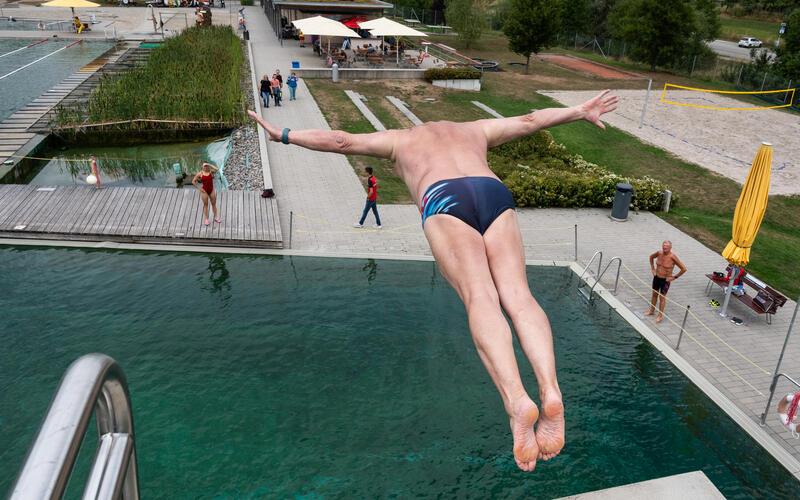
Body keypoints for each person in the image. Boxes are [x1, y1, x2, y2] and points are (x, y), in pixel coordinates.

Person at [247, 89, 619, 472]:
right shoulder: (476, 129)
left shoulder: (401, 140)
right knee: (519, 296)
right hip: (492, 192)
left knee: (481, 298)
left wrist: (285, 134)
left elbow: (342, 140)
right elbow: (529, 120)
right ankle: (551, 390)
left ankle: (516, 401)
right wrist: (579, 110)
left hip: (445, 199)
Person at [645, 240, 687, 323]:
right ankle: (652, 310)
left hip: (665, 280)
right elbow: (651, 257)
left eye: (666, 247)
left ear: (670, 248)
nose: (665, 249)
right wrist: (653, 268)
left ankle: (660, 316)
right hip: (657, 277)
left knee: (662, 297)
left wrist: (674, 277)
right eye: (663, 247)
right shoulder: (659, 253)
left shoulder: (673, 257)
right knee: (654, 294)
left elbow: (683, 269)